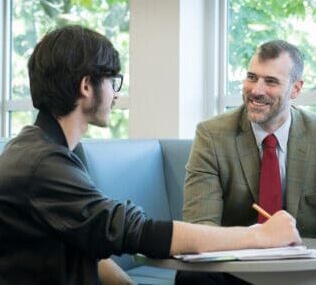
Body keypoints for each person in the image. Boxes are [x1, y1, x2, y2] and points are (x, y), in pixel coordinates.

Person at [0, 27, 301, 285]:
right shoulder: (44, 164)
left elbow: (90, 240)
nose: (116, 94)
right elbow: (139, 232)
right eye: (112, 81)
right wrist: (259, 237)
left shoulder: (40, 150)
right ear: (87, 86)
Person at [178, 39, 314, 284]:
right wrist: (258, 238)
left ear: (295, 89)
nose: (256, 90)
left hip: (305, 271)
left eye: (271, 81)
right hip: (234, 269)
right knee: (191, 277)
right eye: (252, 77)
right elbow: (201, 226)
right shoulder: (212, 135)